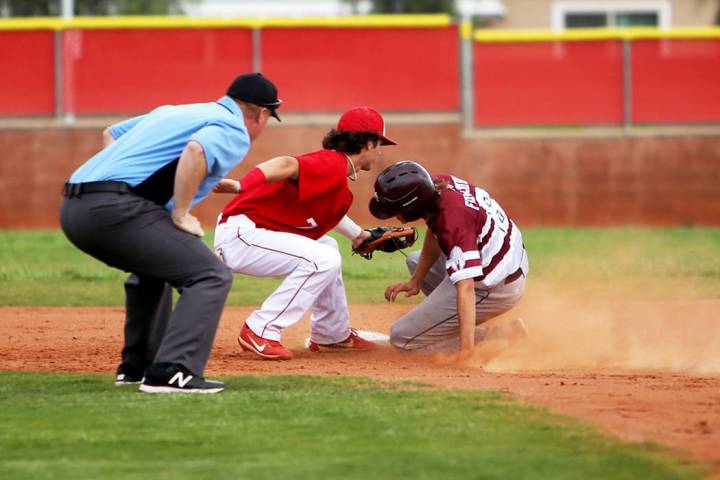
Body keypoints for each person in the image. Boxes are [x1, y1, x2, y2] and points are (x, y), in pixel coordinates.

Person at [60, 73, 281, 393]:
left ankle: (136, 367)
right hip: (111, 208)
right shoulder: (235, 128)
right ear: (261, 113)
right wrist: (180, 211)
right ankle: (172, 371)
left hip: (75, 207)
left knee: (158, 268)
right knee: (210, 274)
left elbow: (112, 134)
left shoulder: (177, 111)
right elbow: (196, 152)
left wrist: (166, 182)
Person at [212, 106, 396, 360]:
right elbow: (286, 163)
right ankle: (260, 329)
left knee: (328, 247)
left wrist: (359, 235)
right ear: (369, 142)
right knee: (322, 259)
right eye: (380, 145)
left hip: (250, 234)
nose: (379, 153)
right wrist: (242, 184)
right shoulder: (332, 162)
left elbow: (325, 210)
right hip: (241, 236)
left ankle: (332, 334)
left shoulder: (336, 175)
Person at [370, 161, 529, 360]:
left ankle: (497, 337)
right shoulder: (435, 185)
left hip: (494, 286)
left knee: (403, 337)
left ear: (412, 207)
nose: (394, 216)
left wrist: (466, 351)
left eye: (395, 210)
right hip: (504, 262)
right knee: (414, 261)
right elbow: (436, 228)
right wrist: (416, 280)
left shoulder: (454, 221)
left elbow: (467, 287)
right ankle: (456, 325)